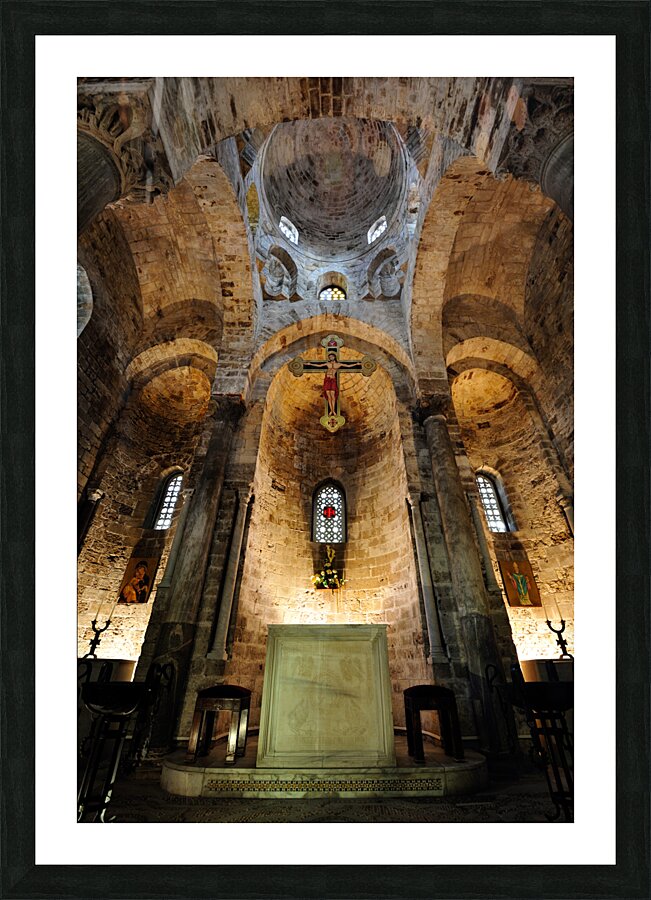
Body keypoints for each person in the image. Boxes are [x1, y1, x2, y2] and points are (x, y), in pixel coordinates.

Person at [313, 351, 361, 417]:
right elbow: (319, 365)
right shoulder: (327, 364)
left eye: (331, 356)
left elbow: (348, 365)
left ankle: (334, 411)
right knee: (329, 397)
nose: (330, 358)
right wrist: (310, 364)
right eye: (329, 357)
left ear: (334, 357)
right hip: (327, 380)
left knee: (333, 396)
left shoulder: (338, 364)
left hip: (333, 380)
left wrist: (356, 364)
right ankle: (331, 411)